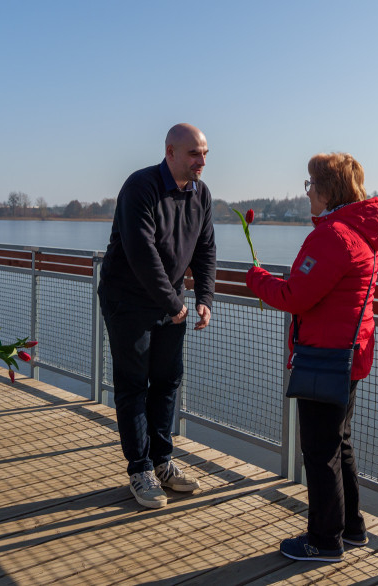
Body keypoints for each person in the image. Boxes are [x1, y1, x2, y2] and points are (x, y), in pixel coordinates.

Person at [246, 152, 378, 561]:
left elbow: (295, 296)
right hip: (350, 355)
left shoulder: (334, 237)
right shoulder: (361, 232)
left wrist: (257, 280)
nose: (307, 192)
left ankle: (324, 540)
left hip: (325, 357)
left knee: (320, 450)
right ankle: (352, 528)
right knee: (339, 443)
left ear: (327, 190)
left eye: (310, 184)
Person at [98, 123, 216, 509]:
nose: (201, 161)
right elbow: (140, 252)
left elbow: (205, 248)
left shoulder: (201, 194)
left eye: (204, 154)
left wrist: (204, 297)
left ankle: (164, 463)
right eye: (194, 153)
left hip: (171, 304)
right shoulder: (141, 186)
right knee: (134, 384)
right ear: (170, 152)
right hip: (128, 300)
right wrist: (173, 302)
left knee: (167, 381)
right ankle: (140, 469)